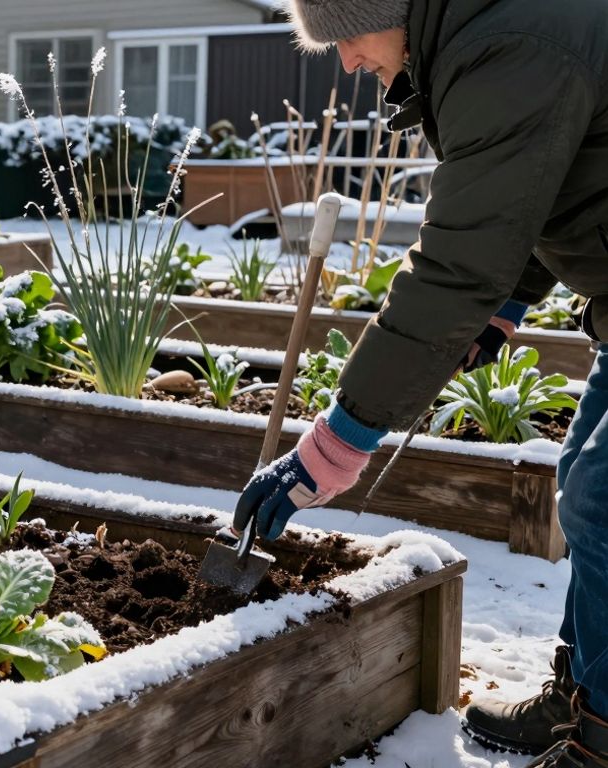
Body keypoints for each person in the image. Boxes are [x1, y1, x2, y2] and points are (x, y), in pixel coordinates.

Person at [238, 0, 608, 764]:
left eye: (345, 38)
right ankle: (588, 692)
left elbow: (455, 261)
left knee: (601, 500)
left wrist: (336, 444)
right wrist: (505, 305)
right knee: (582, 479)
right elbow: (546, 181)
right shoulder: (491, 30)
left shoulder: (509, 44)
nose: (345, 63)